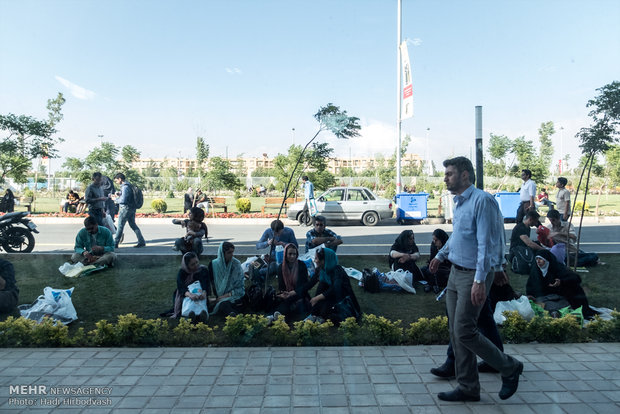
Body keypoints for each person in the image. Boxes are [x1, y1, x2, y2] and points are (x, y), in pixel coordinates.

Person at [430, 156, 523, 402]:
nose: (445, 177)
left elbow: (487, 243)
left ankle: (509, 367)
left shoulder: (483, 201)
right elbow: (459, 236)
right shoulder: (459, 203)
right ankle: (468, 387)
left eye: (449, 173)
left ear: (465, 175)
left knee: (464, 330)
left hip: (474, 274)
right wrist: (440, 254)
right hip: (455, 273)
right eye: (446, 173)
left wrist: (480, 280)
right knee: (456, 330)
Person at [526, 249, 597, 319]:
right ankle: (555, 312)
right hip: (544, 296)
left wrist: (561, 281)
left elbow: (576, 278)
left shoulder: (557, 267)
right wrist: (530, 295)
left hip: (560, 295)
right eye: (537, 259)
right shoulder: (535, 270)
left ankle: (578, 311)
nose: (538, 261)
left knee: (575, 288)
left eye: (540, 259)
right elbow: (530, 285)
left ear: (547, 260)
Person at [306, 247, 360, 324]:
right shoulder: (321, 269)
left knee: (326, 311)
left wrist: (317, 298)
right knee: (322, 284)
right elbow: (310, 284)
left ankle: (321, 315)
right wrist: (293, 293)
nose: (315, 261)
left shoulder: (338, 270)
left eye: (316, 258)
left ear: (325, 260)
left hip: (342, 298)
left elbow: (335, 289)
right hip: (330, 295)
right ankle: (315, 314)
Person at [272, 243, 316, 322]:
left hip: (300, 293)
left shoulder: (301, 265)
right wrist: (283, 293)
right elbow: (281, 286)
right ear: (285, 254)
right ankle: (278, 316)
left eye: (294, 254)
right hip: (287, 293)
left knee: (289, 300)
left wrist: (292, 293)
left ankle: (276, 315)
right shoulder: (281, 268)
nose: (292, 256)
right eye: (290, 254)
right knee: (283, 299)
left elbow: (303, 286)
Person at [208, 242, 245, 316]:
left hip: (235, 294)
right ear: (222, 253)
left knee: (240, 301)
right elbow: (213, 284)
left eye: (232, 252)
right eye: (229, 252)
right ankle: (232, 314)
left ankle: (232, 314)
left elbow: (240, 286)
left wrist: (226, 296)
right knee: (224, 304)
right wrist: (219, 297)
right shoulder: (213, 265)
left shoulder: (236, 264)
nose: (232, 255)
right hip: (221, 297)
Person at [171, 252, 210, 322]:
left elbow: (206, 284)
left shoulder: (203, 270)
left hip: (200, 295)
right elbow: (181, 288)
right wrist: (190, 295)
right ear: (186, 265)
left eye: (197, 262)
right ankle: (192, 317)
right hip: (187, 294)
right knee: (188, 303)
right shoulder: (182, 272)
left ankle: (199, 317)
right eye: (192, 264)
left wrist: (204, 293)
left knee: (201, 303)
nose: (196, 265)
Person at [113, 173, 146, 248]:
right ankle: (141, 241)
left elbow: (123, 200)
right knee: (133, 225)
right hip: (132, 208)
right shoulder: (129, 185)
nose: (116, 182)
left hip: (125, 208)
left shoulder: (125, 187)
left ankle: (115, 243)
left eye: (116, 181)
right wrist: (119, 194)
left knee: (120, 226)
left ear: (120, 179)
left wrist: (115, 199)